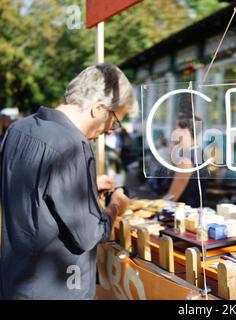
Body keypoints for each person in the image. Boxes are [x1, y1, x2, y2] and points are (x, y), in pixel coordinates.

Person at [0, 63, 134, 299]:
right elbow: (89, 235)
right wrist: (115, 207)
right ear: (99, 109)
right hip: (58, 289)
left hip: (15, 281)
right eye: (115, 122)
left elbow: (32, 191)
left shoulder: (19, 129)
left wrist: (87, 185)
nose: (111, 131)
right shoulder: (73, 145)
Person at [163, 114, 208, 207]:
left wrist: (153, 205)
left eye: (176, 129)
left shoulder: (185, 161)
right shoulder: (200, 153)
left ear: (185, 131)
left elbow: (172, 197)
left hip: (182, 213)